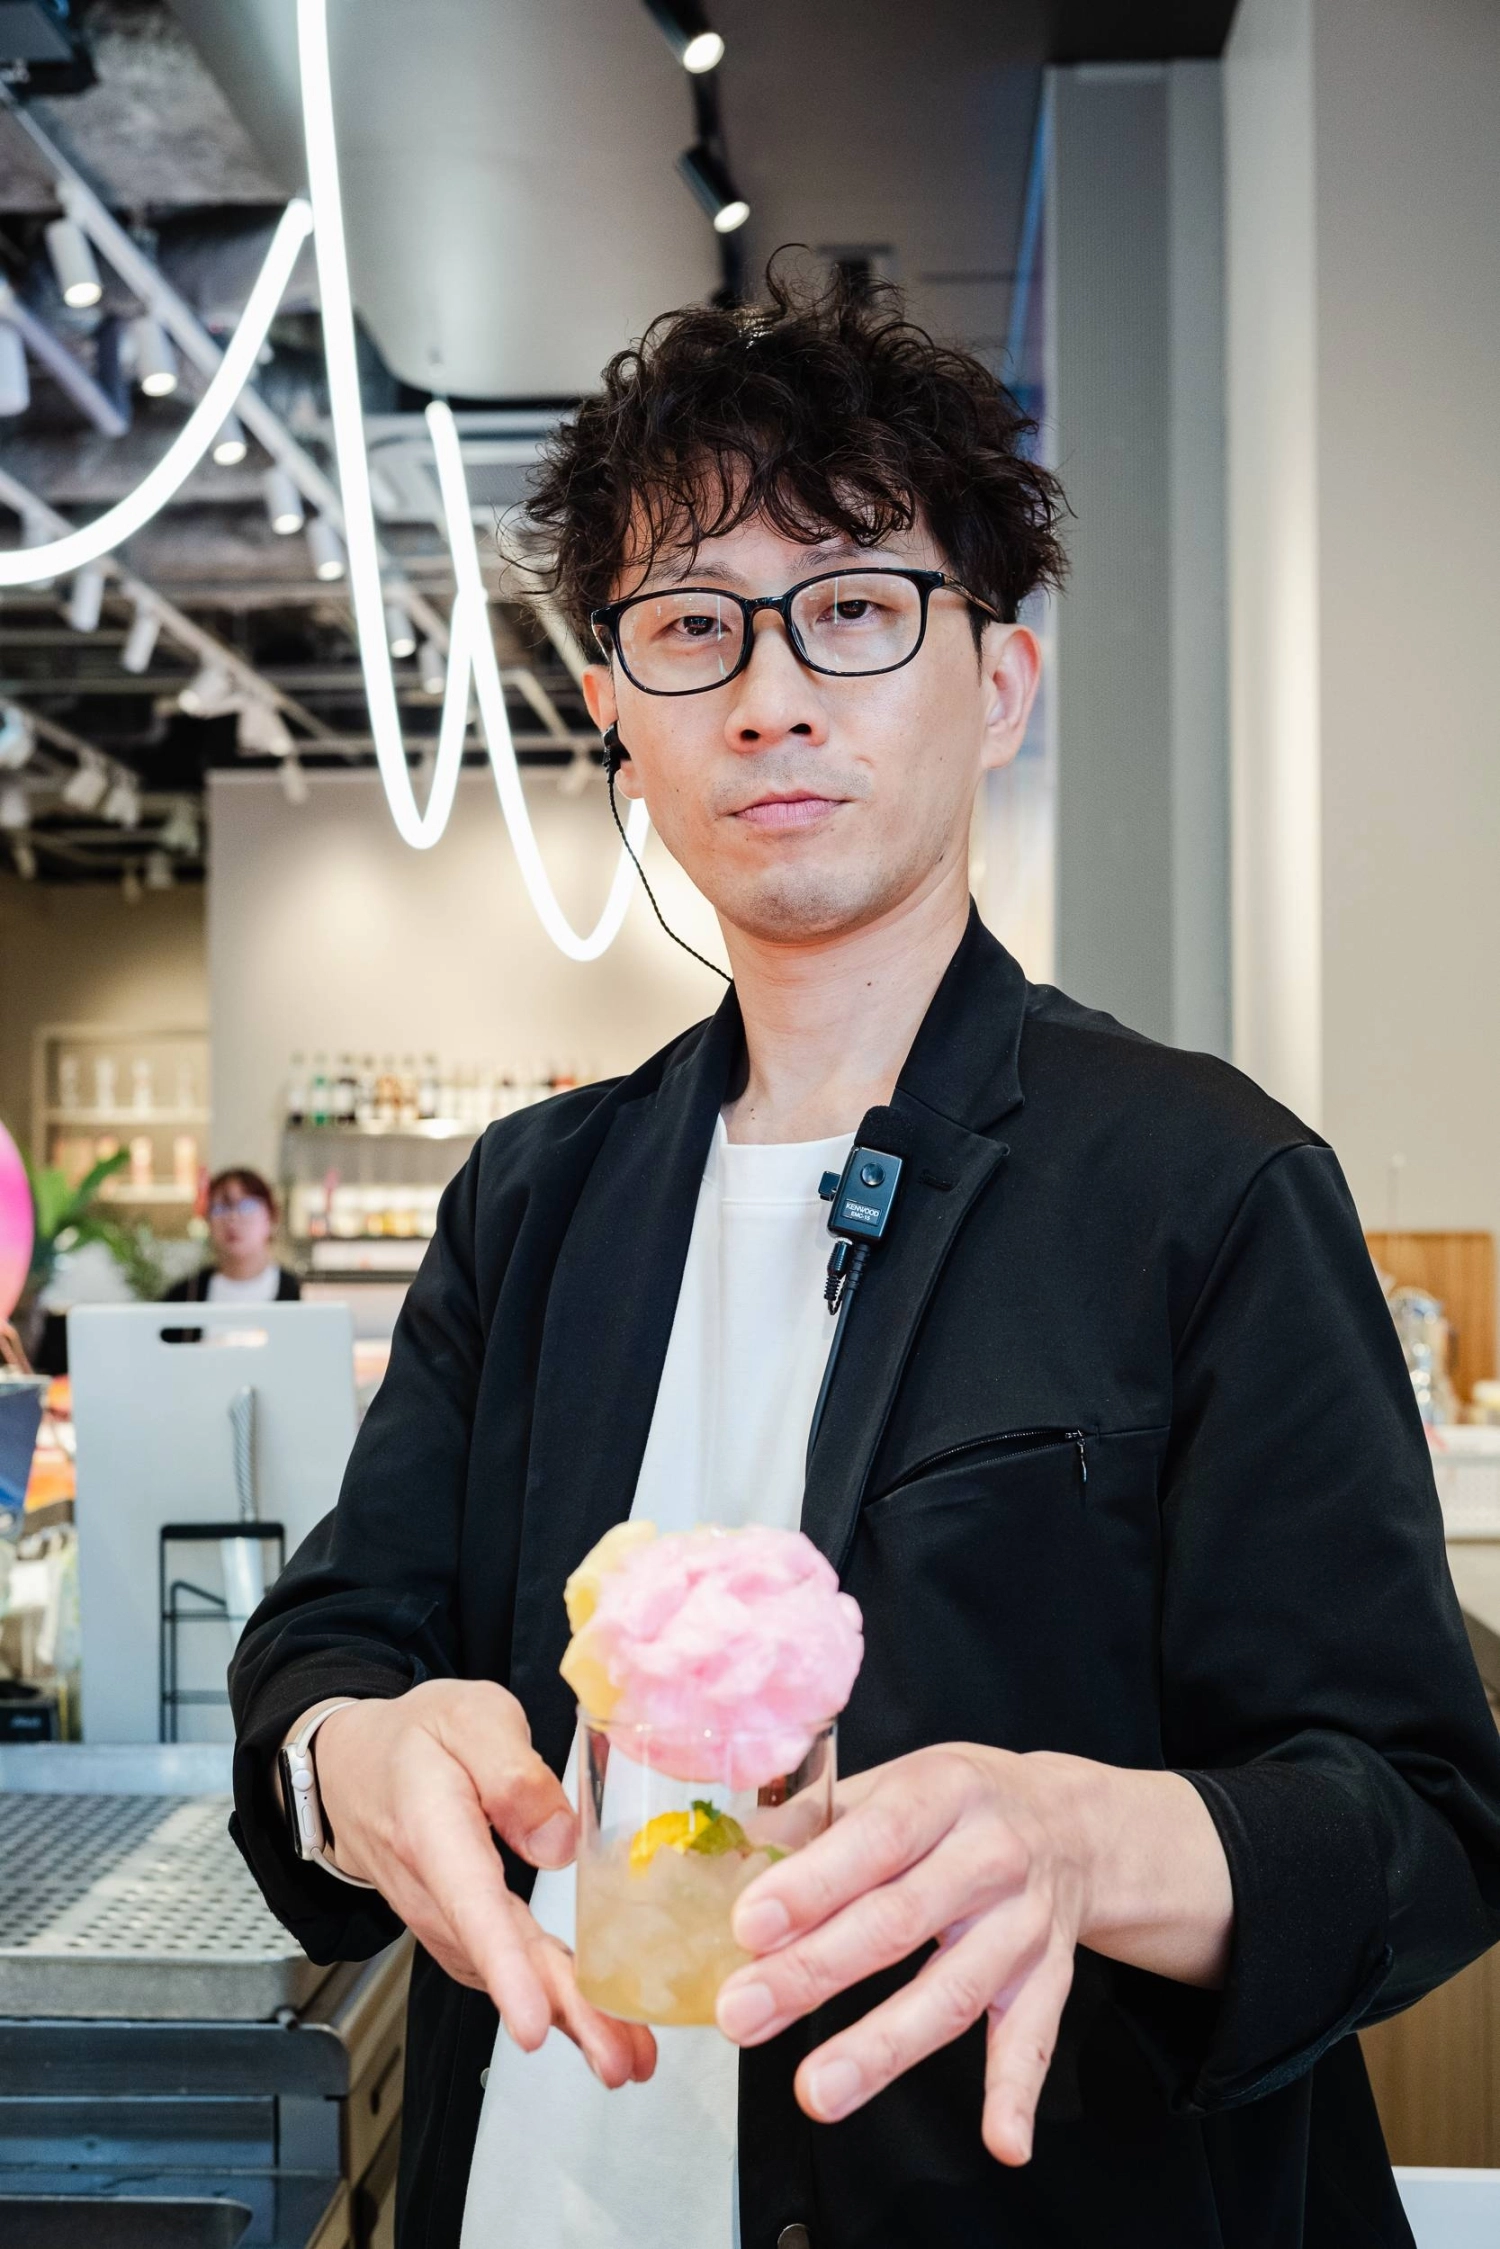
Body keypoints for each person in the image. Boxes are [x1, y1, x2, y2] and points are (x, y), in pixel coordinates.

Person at [229, 269, 1500, 2249]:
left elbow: (1422, 1807)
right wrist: (360, 1750)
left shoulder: (1201, 1182)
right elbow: (332, 1634)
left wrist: (1095, 1833)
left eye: (853, 603)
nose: (769, 689)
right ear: (615, 722)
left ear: (997, 683)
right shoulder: (534, 1200)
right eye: (688, 626)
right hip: (547, 2181)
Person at [164, 1167, 301, 1304]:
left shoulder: (299, 1294)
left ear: (271, 1216)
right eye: (220, 1208)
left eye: (246, 1206)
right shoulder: (185, 1296)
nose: (232, 1218)